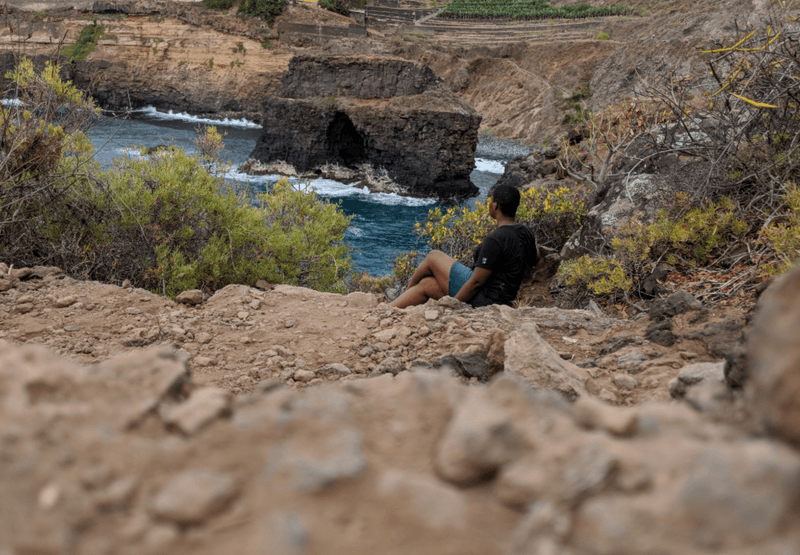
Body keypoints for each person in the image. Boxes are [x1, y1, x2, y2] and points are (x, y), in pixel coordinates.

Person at [389, 184, 538, 309]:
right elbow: (534, 258)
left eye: (491, 201)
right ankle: (390, 310)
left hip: (485, 301)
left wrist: (452, 306)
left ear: (495, 206)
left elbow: (476, 282)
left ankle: (402, 293)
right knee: (427, 284)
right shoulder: (526, 232)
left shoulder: (495, 239)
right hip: (503, 297)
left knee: (433, 256)